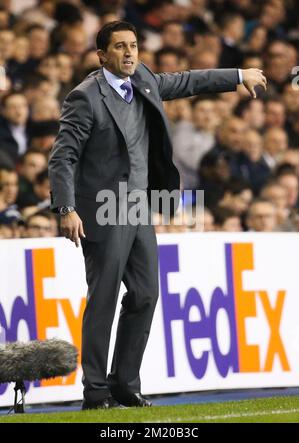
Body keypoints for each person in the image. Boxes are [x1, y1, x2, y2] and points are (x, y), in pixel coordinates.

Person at [48, 20, 266, 410]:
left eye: (133, 45)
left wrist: (237, 74)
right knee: (103, 298)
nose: (129, 53)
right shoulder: (85, 97)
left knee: (146, 294)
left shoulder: (144, 78)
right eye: (119, 47)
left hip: (137, 208)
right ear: (101, 55)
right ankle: (96, 392)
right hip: (101, 208)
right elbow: (63, 156)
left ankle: (125, 384)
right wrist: (66, 208)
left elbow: (187, 82)